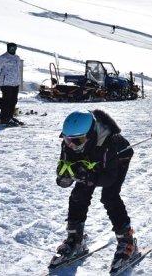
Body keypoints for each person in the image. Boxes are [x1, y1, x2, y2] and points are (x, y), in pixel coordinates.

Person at [52, 110, 137, 272]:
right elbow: (65, 173)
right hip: (93, 160)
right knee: (79, 194)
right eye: (67, 139)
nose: (71, 144)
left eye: (78, 141)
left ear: (90, 134)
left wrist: (88, 176)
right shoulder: (70, 142)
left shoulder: (110, 143)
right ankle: (75, 238)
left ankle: (127, 240)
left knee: (109, 196)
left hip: (119, 158)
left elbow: (109, 178)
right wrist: (65, 176)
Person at [0, 42, 21, 126]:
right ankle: (4, 118)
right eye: (11, 48)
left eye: (14, 48)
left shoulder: (17, 58)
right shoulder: (2, 58)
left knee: (13, 101)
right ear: (8, 48)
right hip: (6, 84)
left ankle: (10, 117)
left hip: (15, 83)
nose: (12, 49)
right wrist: (2, 80)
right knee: (7, 101)